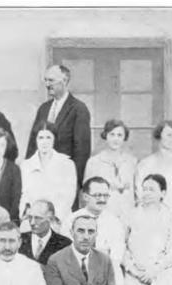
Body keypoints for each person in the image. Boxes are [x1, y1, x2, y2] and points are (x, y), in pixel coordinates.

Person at [25, 64, 91, 195]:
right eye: (46, 80)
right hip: (40, 177)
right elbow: (33, 144)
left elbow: (82, 150)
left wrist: (75, 183)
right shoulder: (43, 108)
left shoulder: (79, 109)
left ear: (65, 81)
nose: (47, 84)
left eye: (51, 80)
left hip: (64, 179)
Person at [20, 121, 77, 227]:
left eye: (48, 137)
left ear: (54, 139)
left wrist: (55, 218)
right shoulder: (26, 165)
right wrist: (27, 215)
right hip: (34, 220)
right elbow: (25, 195)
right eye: (40, 138)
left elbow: (69, 196)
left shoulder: (67, 164)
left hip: (59, 220)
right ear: (36, 140)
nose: (44, 142)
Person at [135, 120, 172, 215]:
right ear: (159, 136)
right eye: (169, 135)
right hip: (152, 217)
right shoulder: (145, 165)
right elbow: (140, 195)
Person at [84, 119, 137, 221]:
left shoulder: (132, 161)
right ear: (106, 136)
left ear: (124, 138)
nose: (115, 139)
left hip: (127, 214)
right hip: (103, 214)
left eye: (119, 135)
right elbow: (86, 193)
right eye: (112, 134)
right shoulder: (94, 162)